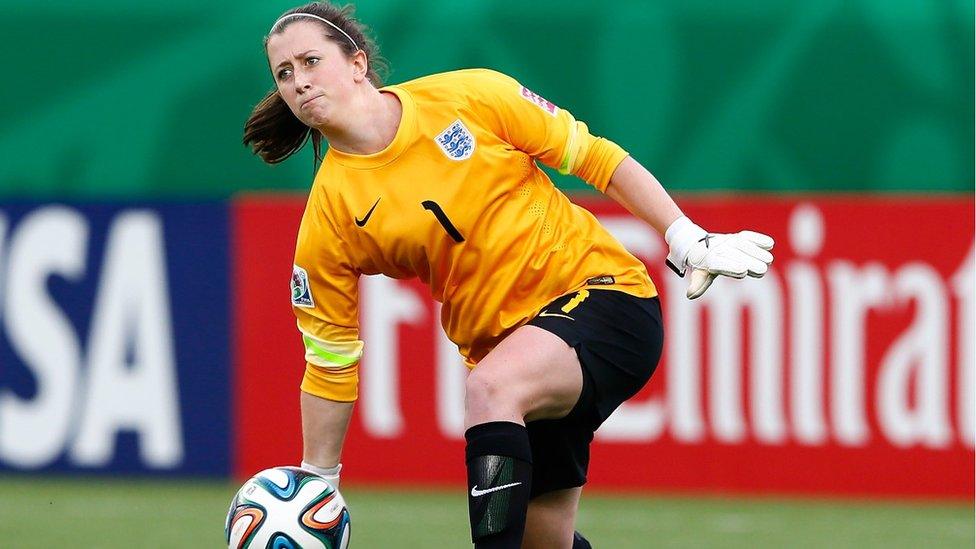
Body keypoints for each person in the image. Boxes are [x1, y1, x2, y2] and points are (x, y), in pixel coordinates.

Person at [243, 3, 774, 548]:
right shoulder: (329, 218)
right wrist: (319, 479)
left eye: (311, 61)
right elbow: (331, 358)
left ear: (357, 63)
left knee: (490, 388)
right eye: (284, 73)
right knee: (543, 541)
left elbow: (592, 157)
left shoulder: (469, 96)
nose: (299, 82)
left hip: (603, 296)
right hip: (512, 356)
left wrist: (686, 236)